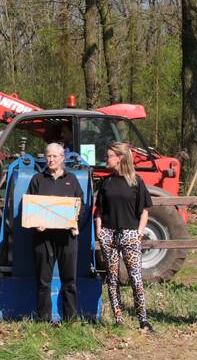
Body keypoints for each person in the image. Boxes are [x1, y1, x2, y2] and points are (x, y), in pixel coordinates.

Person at [95, 142, 153, 331]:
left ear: (119, 158)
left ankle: (143, 320)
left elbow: (144, 210)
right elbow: (99, 211)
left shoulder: (136, 181)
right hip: (109, 234)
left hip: (129, 233)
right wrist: (99, 230)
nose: (106, 159)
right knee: (112, 278)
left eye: (109, 155)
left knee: (135, 278)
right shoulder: (106, 182)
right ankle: (118, 319)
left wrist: (139, 232)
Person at [27, 142, 84, 323]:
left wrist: (75, 222)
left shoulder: (72, 179)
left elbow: (81, 205)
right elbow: (29, 206)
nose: (51, 159)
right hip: (43, 238)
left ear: (62, 158)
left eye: (54, 156)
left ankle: (71, 320)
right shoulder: (37, 179)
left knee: (69, 281)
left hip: (67, 238)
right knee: (43, 281)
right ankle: (43, 320)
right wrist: (36, 224)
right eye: (48, 156)